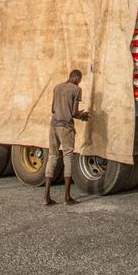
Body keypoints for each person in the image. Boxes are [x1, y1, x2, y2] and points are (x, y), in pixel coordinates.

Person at [44, 69, 90, 206]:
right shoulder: (76, 89)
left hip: (53, 126)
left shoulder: (57, 87)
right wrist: (83, 116)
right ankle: (67, 197)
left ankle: (46, 197)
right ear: (76, 78)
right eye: (79, 79)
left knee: (52, 157)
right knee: (68, 157)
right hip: (66, 128)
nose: (79, 82)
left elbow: (53, 110)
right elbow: (74, 113)